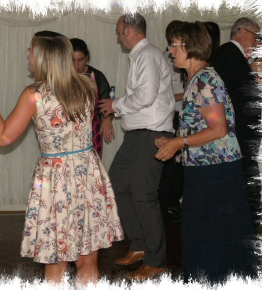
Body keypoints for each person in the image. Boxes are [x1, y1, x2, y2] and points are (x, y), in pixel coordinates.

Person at [0, 31, 124, 286]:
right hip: (87, 173)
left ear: (44, 57)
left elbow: (5, 138)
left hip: (55, 179)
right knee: (87, 260)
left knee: (57, 259)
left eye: (31, 49)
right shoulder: (87, 85)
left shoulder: (34, 94)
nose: (28, 54)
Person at [155, 21, 258, 284]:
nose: (170, 50)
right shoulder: (196, 79)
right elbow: (204, 128)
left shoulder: (204, 79)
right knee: (209, 236)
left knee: (213, 237)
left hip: (216, 173)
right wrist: (174, 140)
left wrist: (179, 143)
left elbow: (218, 129)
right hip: (207, 170)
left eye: (174, 44)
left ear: (190, 46)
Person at [99, 13, 175, 280]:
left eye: (120, 32)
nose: (118, 37)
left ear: (130, 30)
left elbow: (146, 95)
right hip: (137, 134)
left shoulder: (148, 55)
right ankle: (141, 244)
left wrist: (115, 105)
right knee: (118, 184)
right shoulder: (142, 56)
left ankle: (156, 261)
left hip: (152, 133)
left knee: (144, 196)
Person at [210, 18, 262, 222]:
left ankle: (248, 217)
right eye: (255, 36)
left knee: (247, 170)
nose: (257, 42)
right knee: (245, 171)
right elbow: (220, 92)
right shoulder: (228, 52)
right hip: (238, 128)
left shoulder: (238, 57)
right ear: (241, 31)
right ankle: (248, 218)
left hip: (244, 128)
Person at [158, 20, 185, 223]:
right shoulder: (166, 59)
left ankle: (173, 202)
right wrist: (186, 94)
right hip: (172, 114)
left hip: (183, 113)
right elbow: (166, 94)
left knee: (179, 164)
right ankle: (164, 204)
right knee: (169, 163)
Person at [70, 38, 114, 158]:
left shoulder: (97, 76)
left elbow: (107, 102)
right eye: (72, 60)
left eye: (80, 60)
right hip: (68, 130)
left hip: (92, 131)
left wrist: (107, 119)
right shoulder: (63, 78)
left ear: (87, 58)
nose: (76, 65)